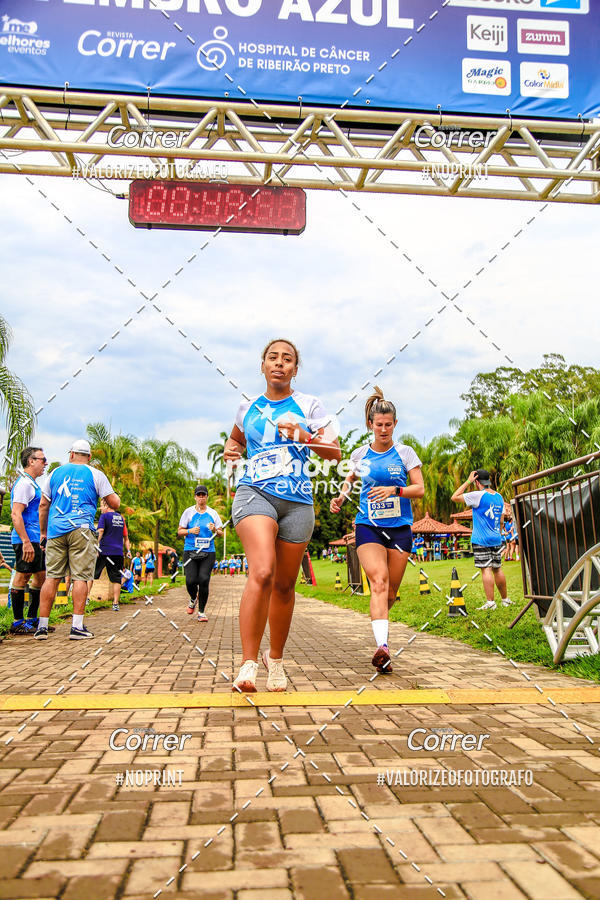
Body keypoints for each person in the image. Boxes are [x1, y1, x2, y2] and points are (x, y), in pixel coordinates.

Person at [225, 338, 340, 692]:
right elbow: (235, 441)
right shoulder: (247, 407)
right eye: (272, 357)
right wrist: (231, 453)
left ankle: (274, 659)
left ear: (295, 368)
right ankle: (247, 663)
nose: (279, 363)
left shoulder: (310, 405)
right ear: (262, 365)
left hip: (298, 502)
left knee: (285, 586)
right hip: (254, 493)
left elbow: (334, 452)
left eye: (287, 359)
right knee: (262, 571)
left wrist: (304, 435)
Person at [331, 387, 424, 674]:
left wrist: (395, 490)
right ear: (370, 424)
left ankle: (379, 623)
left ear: (395, 424)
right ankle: (383, 648)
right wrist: (341, 497)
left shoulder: (405, 453)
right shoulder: (360, 453)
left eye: (388, 425)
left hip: (399, 530)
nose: (383, 430)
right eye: (378, 424)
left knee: (390, 593)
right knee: (379, 582)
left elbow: (419, 489)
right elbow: (349, 481)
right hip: (368, 526)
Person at [35, 439, 119, 640]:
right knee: (80, 577)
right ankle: (77, 627)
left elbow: (43, 505)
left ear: (71, 454)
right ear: (89, 457)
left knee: (52, 577)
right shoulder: (96, 474)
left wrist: (44, 532)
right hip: (81, 530)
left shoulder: (55, 473)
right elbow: (115, 503)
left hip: (56, 530)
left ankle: (42, 627)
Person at [451, 469, 512, 611]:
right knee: (498, 569)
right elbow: (501, 518)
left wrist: (468, 481)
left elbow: (454, 497)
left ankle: (491, 603)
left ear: (477, 482)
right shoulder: (499, 497)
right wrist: (499, 531)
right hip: (496, 537)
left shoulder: (478, 495)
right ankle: (505, 600)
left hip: (481, 539)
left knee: (486, 569)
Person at [9, 447, 48, 634]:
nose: (45, 463)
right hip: (24, 539)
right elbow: (16, 514)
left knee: (41, 576)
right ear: (31, 461)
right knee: (22, 576)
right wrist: (25, 541)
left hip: (34, 538)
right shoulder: (24, 484)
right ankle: (17, 622)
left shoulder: (33, 484)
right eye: (42, 459)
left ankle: (32, 619)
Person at [177, 485, 223, 622]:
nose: (201, 497)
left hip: (208, 551)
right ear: (195, 497)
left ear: (207, 497)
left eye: (203, 495)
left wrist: (215, 530)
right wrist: (190, 531)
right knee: (190, 580)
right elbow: (179, 531)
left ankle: (201, 612)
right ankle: (193, 598)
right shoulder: (188, 512)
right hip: (190, 550)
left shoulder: (213, 513)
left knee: (203, 579)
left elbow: (221, 533)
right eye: (199, 495)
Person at [91, 498, 131, 611]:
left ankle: (86, 598)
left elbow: (100, 531)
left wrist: (95, 546)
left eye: (102, 506)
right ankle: (115, 603)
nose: (100, 509)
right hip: (118, 552)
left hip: (104, 551)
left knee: (92, 574)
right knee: (116, 578)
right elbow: (126, 538)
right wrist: (128, 551)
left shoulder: (104, 517)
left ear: (107, 505)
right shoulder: (121, 518)